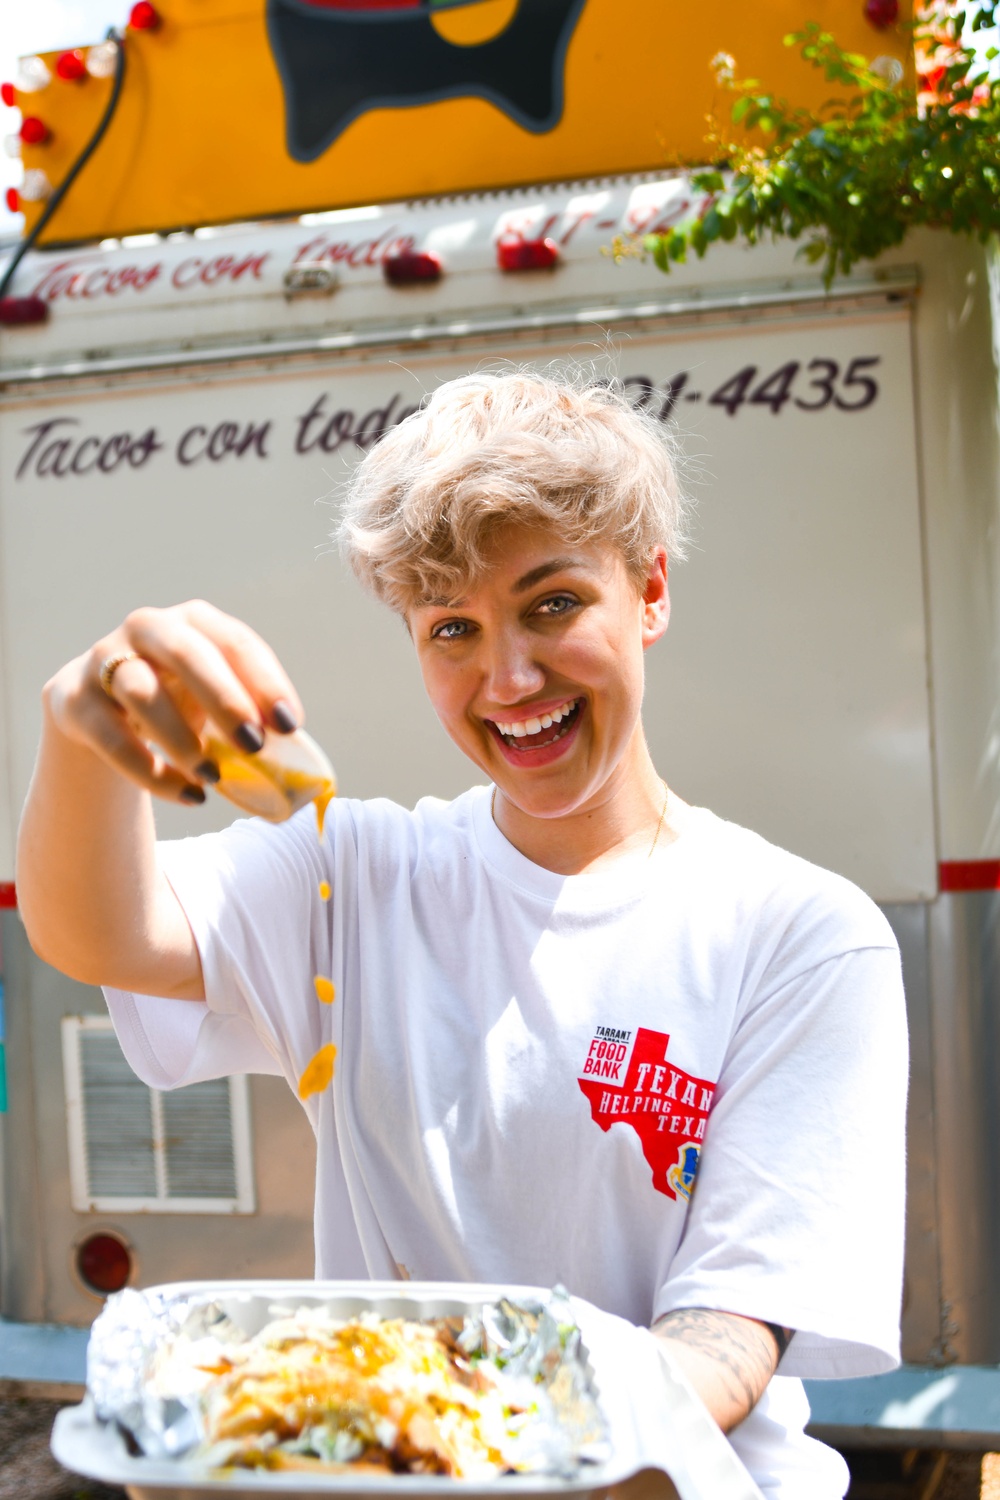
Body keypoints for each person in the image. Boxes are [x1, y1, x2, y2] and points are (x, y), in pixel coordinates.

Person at [16, 371, 907, 1499]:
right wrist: (81, 729)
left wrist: (422, 1426)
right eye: (452, 628)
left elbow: (722, 1350)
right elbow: (103, 934)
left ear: (649, 589)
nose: (509, 678)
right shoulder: (353, 873)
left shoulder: (800, 935)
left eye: (551, 604)